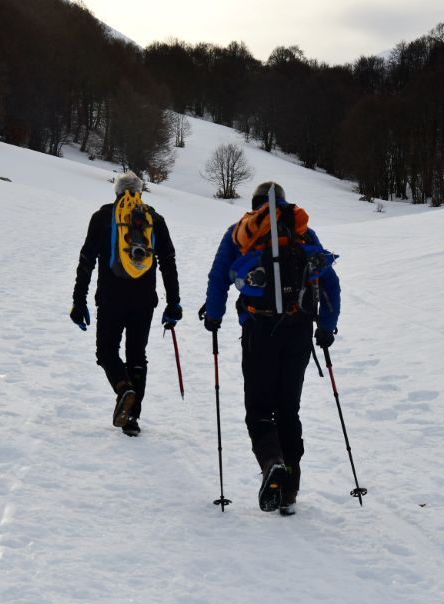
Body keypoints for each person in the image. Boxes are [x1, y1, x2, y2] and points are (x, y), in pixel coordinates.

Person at [201, 181, 340, 514]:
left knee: (260, 410)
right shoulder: (303, 233)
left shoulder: (240, 232)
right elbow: (329, 281)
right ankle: (289, 491)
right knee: (288, 409)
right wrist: (326, 326)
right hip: (299, 330)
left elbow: (219, 276)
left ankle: (272, 463)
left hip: (258, 330)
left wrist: (214, 316)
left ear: (254, 206)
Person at [71, 171, 181, 437]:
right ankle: (131, 418)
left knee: (106, 351)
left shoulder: (102, 218)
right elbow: (168, 262)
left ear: (117, 192)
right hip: (144, 300)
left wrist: (79, 301)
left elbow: (86, 261)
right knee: (137, 355)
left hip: (110, 298)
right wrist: (173, 303)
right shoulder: (155, 219)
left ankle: (123, 389)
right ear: (140, 192)